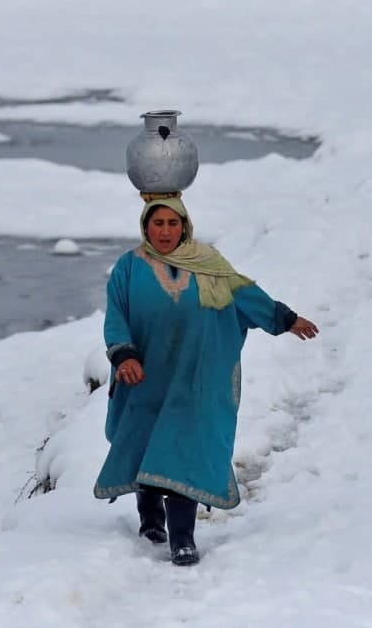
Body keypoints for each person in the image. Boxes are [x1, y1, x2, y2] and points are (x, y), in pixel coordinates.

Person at [93, 195, 319, 566]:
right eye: (158, 223)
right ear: (146, 226)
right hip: (146, 377)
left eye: (172, 223)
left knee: (186, 450)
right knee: (146, 446)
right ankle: (151, 522)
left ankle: (183, 538)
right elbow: (116, 315)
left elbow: (247, 295)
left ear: (184, 226)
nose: (165, 231)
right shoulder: (128, 268)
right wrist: (124, 353)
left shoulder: (210, 265)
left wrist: (286, 319)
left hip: (195, 380)